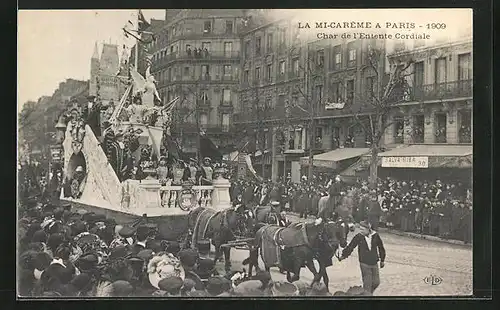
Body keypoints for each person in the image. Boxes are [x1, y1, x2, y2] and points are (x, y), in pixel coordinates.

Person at [339, 221, 386, 294]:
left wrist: (382, 260)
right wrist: (343, 256)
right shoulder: (359, 236)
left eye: (362, 229)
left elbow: (381, 247)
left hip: (374, 263)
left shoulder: (375, 235)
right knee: (367, 284)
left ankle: (367, 294)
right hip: (364, 263)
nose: (361, 231)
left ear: (368, 229)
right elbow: (351, 246)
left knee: (376, 282)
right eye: (360, 229)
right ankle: (367, 296)